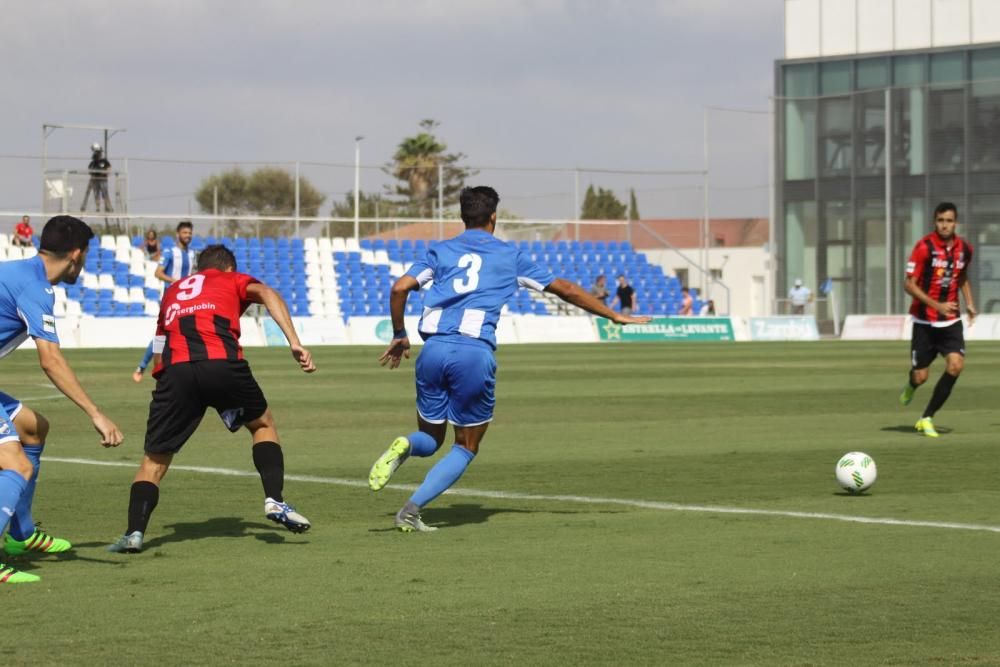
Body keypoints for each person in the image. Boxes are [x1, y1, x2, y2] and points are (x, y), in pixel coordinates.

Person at [366, 186, 651, 532]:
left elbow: (399, 288)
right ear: (494, 217)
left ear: (462, 216)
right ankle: (410, 510)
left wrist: (399, 333)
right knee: (466, 446)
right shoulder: (510, 256)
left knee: (431, 438)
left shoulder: (439, 251)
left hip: (433, 350)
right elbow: (567, 289)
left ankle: (406, 444)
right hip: (473, 353)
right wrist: (614, 316)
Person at [107, 244, 316, 554]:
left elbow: (159, 341)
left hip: (175, 373)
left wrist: (163, 382)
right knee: (262, 425)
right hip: (221, 366)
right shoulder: (231, 279)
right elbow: (269, 293)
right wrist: (295, 342)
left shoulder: (174, 290)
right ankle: (275, 501)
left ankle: (134, 533)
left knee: (154, 460)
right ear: (228, 268)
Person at [0, 215, 124, 584]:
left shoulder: (17, 272)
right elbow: (50, 360)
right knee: (16, 464)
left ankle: (20, 535)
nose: (84, 263)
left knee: (33, 429)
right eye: (86, 255)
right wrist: (95, 413)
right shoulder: (36, 289)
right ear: (75, 254)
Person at [899, 201, 976, 438]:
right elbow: (908, 284)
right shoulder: (923, 247)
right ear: (935, 221)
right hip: (924, 323)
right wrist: (936, 305)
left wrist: (970, 303)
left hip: (951, 322)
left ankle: (927, 417)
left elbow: (961, 276)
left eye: (949, 221)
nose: (945, 225)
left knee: (956, 365)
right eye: (941, 220)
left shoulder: (965, 249)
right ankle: (912, 385)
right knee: (921, 375)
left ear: (956, 223)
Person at [132, 221, 196, 382]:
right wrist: (174, 281)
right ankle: (142, 366)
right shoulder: (169, 251)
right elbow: (158, 273)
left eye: (189, 233)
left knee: (186, 333)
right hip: (171, 301)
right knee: (162, 335)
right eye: (185, 233)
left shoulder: (192, 254)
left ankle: (184, 368)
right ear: (178, 234)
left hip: (187, 301)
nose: (187, 236)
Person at [80, 143, 113, 213]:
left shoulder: (104, 161)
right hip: (95, 180)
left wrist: (104, 173)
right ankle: (98, 208)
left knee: (105, 194)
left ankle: (108, 207)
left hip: (103, 180)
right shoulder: (93, 162)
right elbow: (90, 170)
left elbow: (109, 169)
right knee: (96, 194)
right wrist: (93, 173)